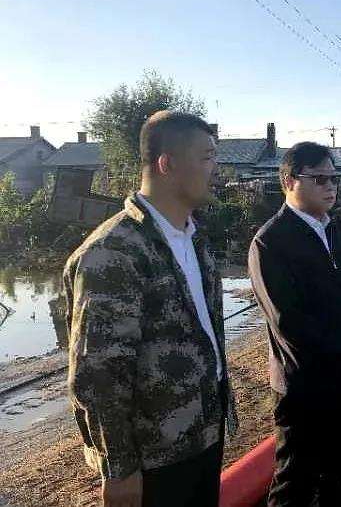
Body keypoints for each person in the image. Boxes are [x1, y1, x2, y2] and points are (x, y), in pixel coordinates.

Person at [63, 110, 238, 507]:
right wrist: (119, 469)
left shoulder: (194, 239)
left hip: (202, 438)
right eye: (207, 157)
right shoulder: (113, 253)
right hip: (153, 460)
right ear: (167, 164)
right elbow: (98, 374)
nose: (216, 169)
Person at [248, 141, 341, 507]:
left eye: (334, 179)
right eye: (320, 179)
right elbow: (286, 320)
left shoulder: (334, 229)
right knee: (295, 480)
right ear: (289, 181)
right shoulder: (271, 242)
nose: (330, 187)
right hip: (303, 383)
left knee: (334, 471)